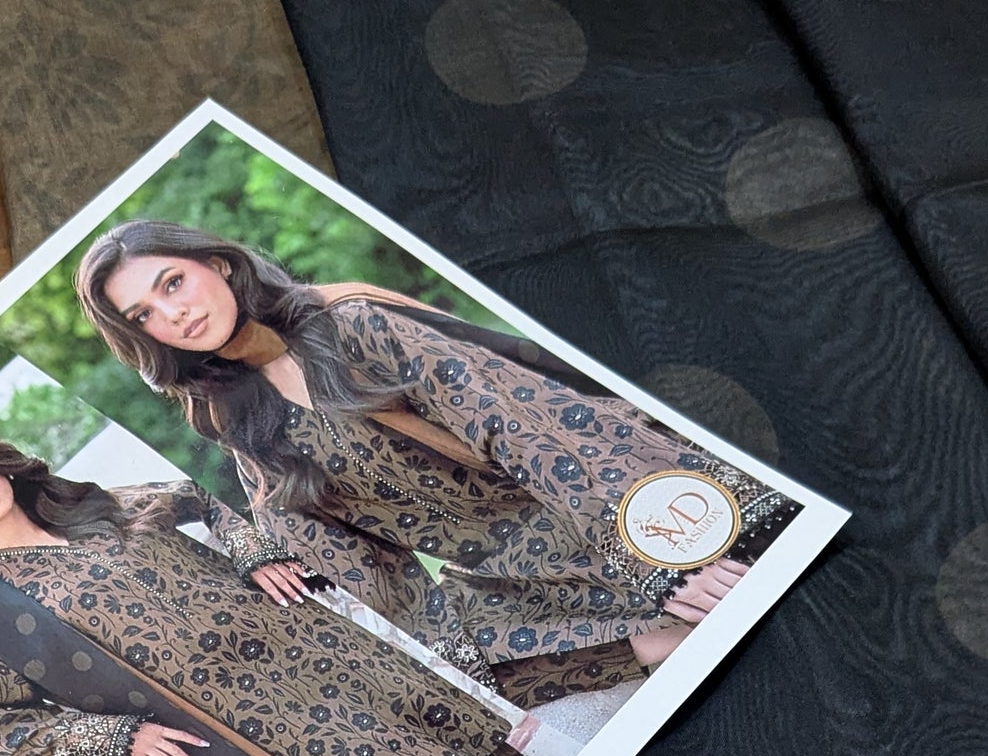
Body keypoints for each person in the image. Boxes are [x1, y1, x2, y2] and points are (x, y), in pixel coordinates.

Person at [75, 221, 791, 699]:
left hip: (587, 494)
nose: (172, 314)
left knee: (706, 553)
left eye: (172, 283)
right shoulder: (231, 416)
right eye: (143, 315)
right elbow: (342, 553)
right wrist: (266, 552)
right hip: (518, 573)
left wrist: (651, 550)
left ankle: (663, 586)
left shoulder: (351, 321)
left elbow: (524, 424)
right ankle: (651, 639)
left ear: (218, 264)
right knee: (446, 667)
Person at [0, 433, 539, 756]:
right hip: (260, 721)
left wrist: (256, 553)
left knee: (486, 754)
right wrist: (117, 740)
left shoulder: (95, 507)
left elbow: (203, 495)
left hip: (322, 650)